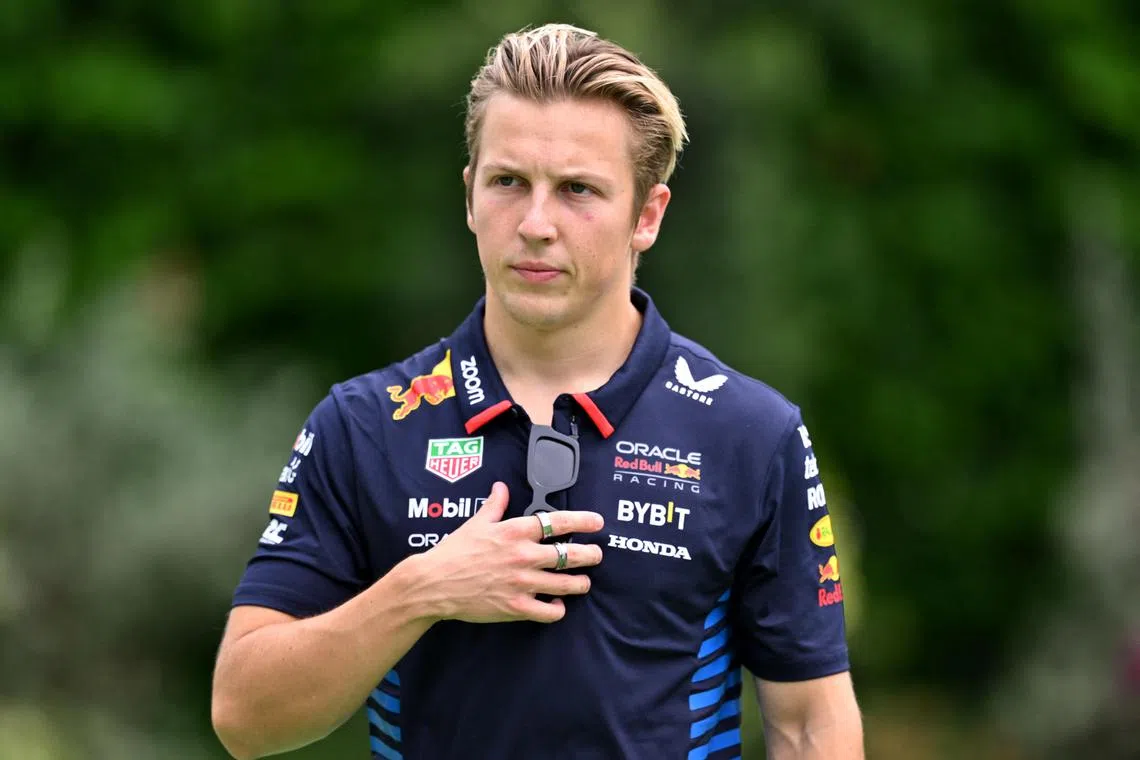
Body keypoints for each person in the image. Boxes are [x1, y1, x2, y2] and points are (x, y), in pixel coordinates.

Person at [211, 23, 863, 760]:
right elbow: (245, 714)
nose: (536, 224)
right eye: (508, 182)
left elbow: (810, 724)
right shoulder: (362, 425)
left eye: (578, 190)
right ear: (469, 194)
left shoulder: (751, 433)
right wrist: (422, 591)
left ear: (647, 215)